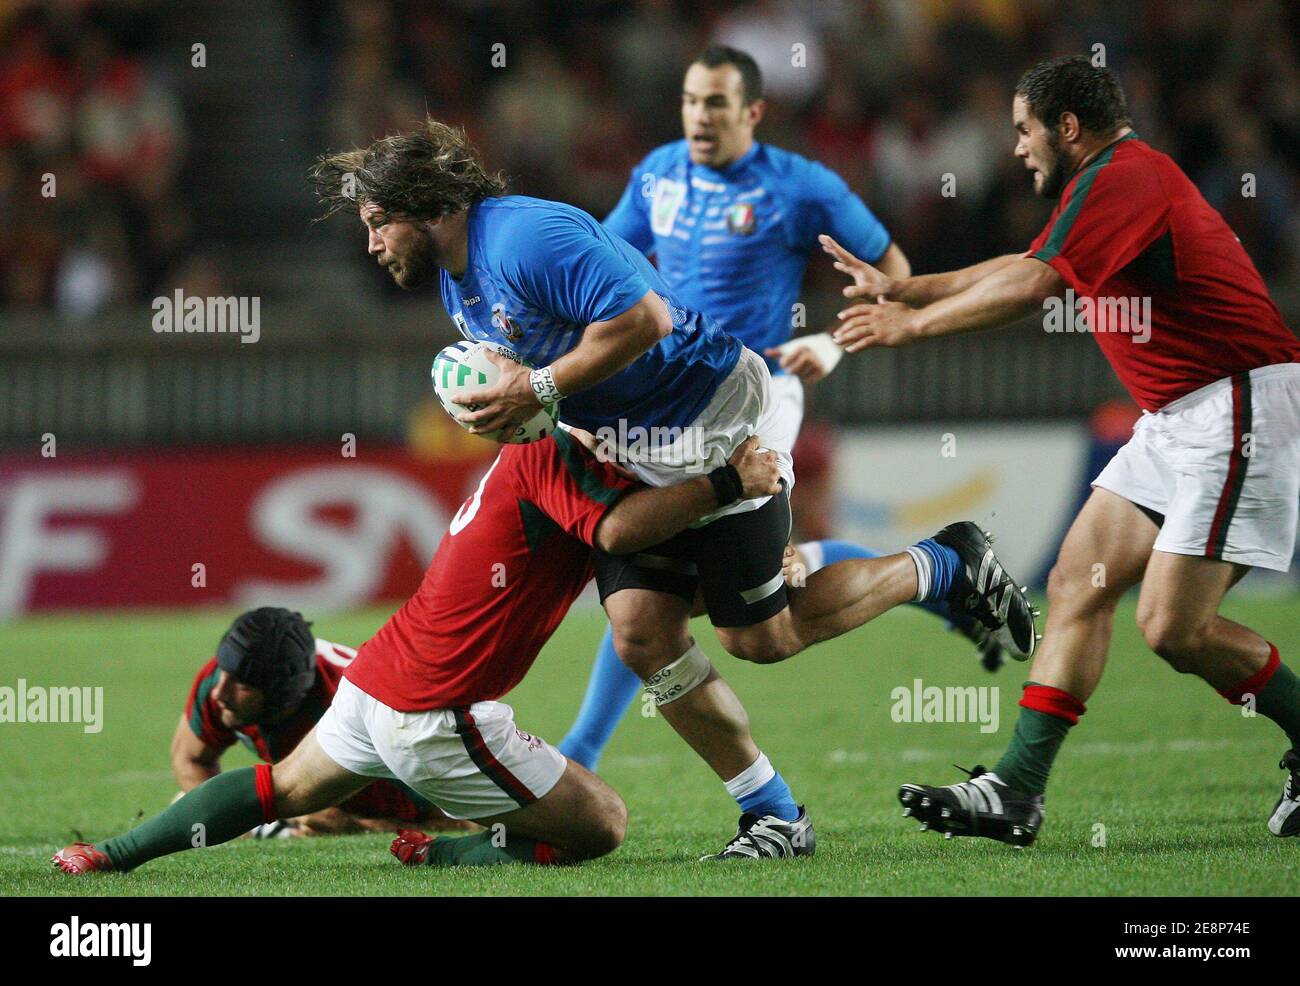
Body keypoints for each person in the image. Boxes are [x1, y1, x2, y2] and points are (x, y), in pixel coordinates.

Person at [823, 55, 1300, 846]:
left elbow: (1033, 287)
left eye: (1023, 130)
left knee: (1175, 629)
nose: (1017, 148)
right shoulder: (1106, 181)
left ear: (1067, 128)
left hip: (1238, 404)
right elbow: (1024, 266)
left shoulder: (1124, 178)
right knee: (1078, 580)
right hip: (1181, 414)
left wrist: (912, 329)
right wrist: (909, 288)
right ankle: (1015, 791)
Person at [558, 45, 1007, 775]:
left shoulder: (801, 186)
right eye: (690, 101)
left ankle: (582, 750)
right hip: (673, 403)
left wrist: (834, 340)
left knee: (669, 567)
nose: (699, 118)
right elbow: (605, 260)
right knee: (682, 572)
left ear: (753, 112)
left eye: (716, 104)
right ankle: (945, 583)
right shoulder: (659, 175)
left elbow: (892, 273)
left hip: (760, 393)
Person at [52, 432, 789, 873]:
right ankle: (445, 854)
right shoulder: (556, 464)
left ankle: (109, 856)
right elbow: (623, 536)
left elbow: (642, 592)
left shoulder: (528, 461)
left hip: (375, 678)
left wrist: (740, 587)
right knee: (602, 824)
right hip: (436, 710)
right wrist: (727, 483)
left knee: (280, 789)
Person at [173, 608, 468, 837]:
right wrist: (228, 819)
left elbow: (468, 820)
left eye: (243, 685)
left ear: (283, 694)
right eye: (223, 671)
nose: (218, 692)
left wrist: (359, 827)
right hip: (333, 791)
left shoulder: (379, 716)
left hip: (407, 780)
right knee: (196, 807)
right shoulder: (225, 679)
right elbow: (190, 758)